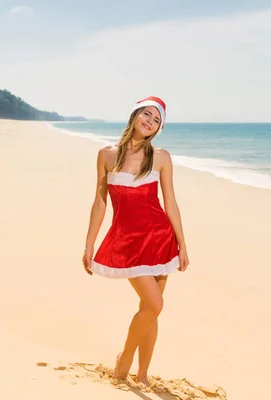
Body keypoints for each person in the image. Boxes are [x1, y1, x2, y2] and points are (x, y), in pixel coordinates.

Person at [82, 96, 190, 386]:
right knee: (154, 305)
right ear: (134, 115)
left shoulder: (162, 157)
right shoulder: (107, 155)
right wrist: (89, 243)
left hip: (160, 238)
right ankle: (124, 360)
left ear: (158, 128)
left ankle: (142, 375)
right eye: (146, 114)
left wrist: (182, 245)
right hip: (128, 241)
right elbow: (99, 202)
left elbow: (171, 203)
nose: (150, 121)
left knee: (151, 309)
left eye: (156, 120)